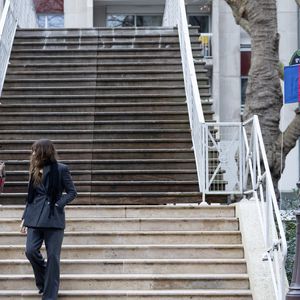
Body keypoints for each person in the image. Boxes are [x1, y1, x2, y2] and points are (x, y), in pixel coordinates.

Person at [20, 139, 77, 300]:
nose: (32, 154)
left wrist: (59, 204)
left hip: (53, 218)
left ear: (44, 151)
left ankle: (50, 295)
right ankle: (45, 280)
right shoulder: (35, 169)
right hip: (35, 218)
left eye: (35, 150)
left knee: (53, 256)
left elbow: (72, 192)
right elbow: (30, 197)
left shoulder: (61, 169)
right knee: (30, 251)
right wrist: (24, 218)